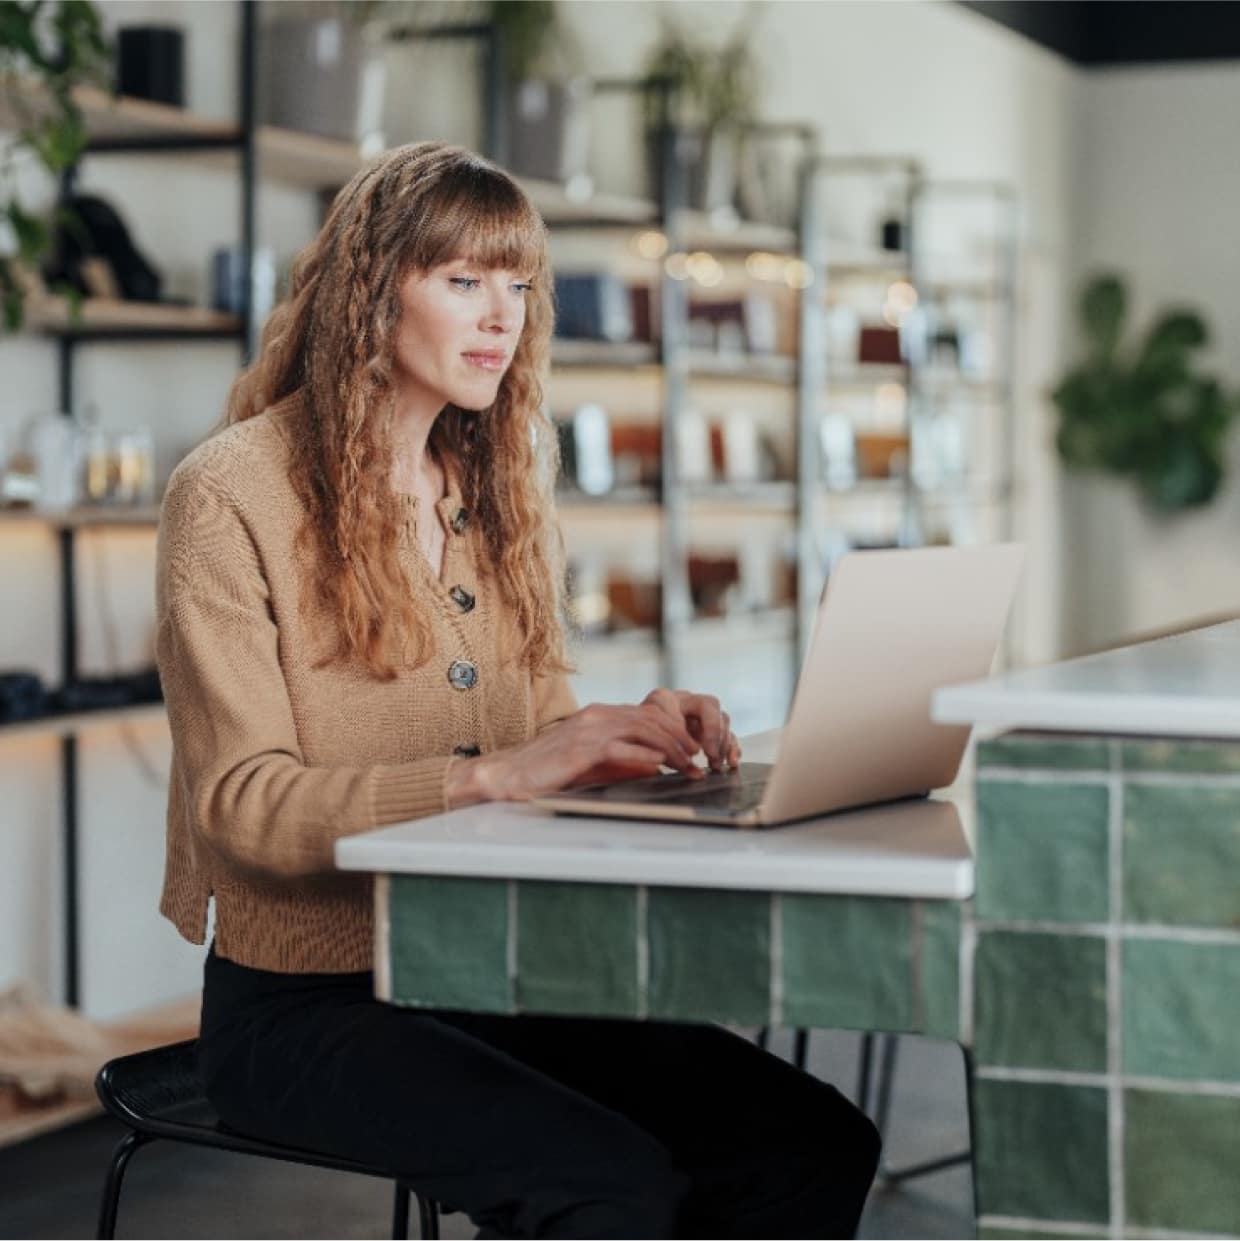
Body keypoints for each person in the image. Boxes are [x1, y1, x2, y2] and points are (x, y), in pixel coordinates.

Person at [155, 140, 879, 1239]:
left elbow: (528, 725)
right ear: (369, 291)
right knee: (608, 1181)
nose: (503, 316)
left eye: (519, 285)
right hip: (304, 1006)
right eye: (463, 281)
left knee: (810, 1140)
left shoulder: (492, 477)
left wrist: (612, 730)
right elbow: (242, 805)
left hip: (492, 960)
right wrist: (487, 776)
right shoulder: (229, 492)